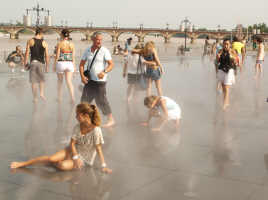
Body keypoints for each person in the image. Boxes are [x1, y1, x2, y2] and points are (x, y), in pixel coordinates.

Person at [10, 103, 112, 174]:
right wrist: (75, 157)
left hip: (84, 158)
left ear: (85, 115)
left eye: (77, 114)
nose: (75, 116)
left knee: (62, 166)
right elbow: (72, 143)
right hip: (72, 150)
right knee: (51, 158)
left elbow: (98, 149)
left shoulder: (96, 130)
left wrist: (104, 166)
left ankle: (51, 162)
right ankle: (23, 164)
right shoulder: (77, 126)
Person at [79, 32, 115, 128]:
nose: (99, 41)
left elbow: (111, 64)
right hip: (90, 80)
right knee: (84, 100)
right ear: (93, 39)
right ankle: (86, 119)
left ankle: (111, 119)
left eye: (100, 39)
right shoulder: (87, 50)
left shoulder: (104, 50)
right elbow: (81, 64)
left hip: (100, 81)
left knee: (101, 100)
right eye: (97, 39)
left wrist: (104, 71)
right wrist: (82, 76)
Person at [24, 27, 49, 103]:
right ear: (41, 33)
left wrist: (25, 63)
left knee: (33, 81)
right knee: (41, 80)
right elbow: (47, 55)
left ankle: (35, 98)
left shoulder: (30, 41)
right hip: (41, 63)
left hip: (33, 63)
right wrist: (47, 66)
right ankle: (41, 93)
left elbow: (27, 53)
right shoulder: (44, 42)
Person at [54, 29, 76, 104]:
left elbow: (57, 56)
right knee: (69, 82)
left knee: (60, 82)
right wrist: (74, 67)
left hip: (61, 63)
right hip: (69, 64)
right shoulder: (72, 44)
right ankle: (72, 98)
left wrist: (54, 65)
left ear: (62, 35)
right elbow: (73, 57)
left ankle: (59, 98)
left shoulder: (60, 44)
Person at [123, 44, 146, 115]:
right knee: (136, 87)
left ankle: (128, 98)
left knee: (130, 86)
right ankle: (135, 98)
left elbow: (125, 64)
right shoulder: (141, 57)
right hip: (138, 73)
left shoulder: (129, 55)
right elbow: (144, 65)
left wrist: (124, 72)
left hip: (130, 72)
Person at [216, 38, 238, 110]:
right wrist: (217, 58)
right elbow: (217, 61)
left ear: (230, 45)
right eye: (224, 44)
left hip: (229, 70)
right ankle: (227, 101)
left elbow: (236, 62)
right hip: (221, 70)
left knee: (226, 87)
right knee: (223, 87)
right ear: (223, 44)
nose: (226, 46)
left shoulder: (232, 51)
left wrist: (233, 59)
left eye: (227, 44)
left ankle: (225, 104)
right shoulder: (220, 51)